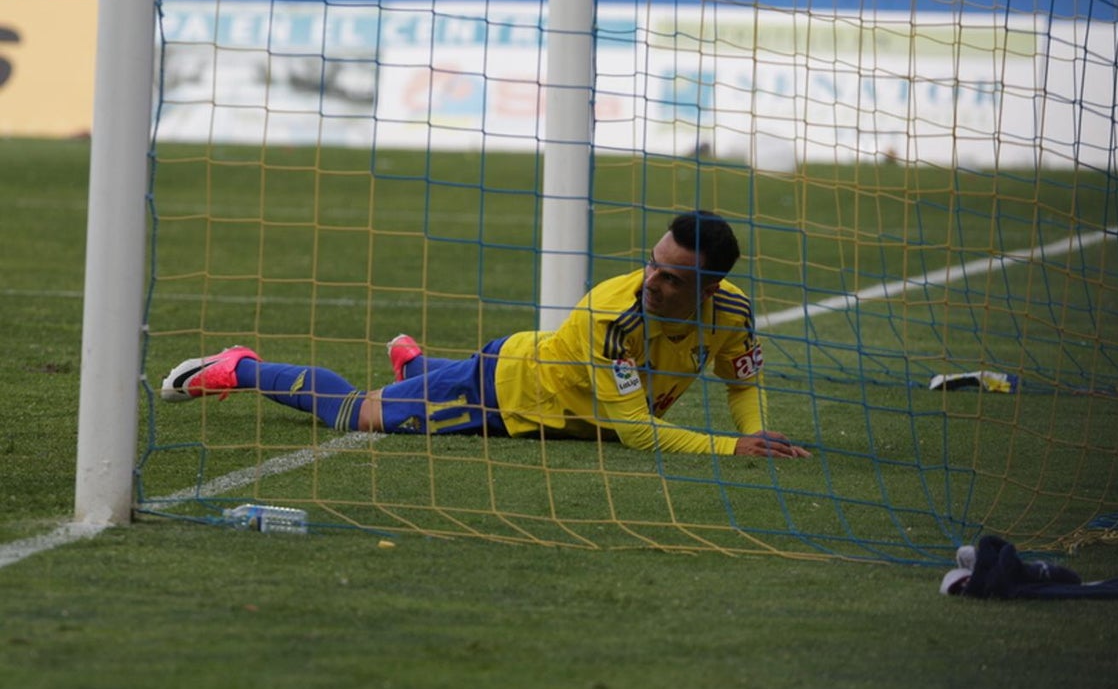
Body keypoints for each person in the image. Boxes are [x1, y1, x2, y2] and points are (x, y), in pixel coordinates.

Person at [162, 211, 811, 459]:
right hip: (504, 394)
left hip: (565, 406)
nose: (652, 282)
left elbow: (741, 382)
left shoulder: (733, 314)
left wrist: (755, 430)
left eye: (671, 278)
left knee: (414, 387)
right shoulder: (611, 319)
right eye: (651, 264)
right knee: (356, 413)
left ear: (710, 288)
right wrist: (732, 448)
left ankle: (416, 367)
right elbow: (638, 433)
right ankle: (239, 367)